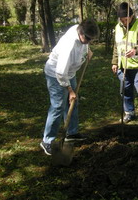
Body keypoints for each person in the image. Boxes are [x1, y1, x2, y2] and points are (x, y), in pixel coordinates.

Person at [40, 19, 99, 155]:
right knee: (57, 106)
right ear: (81, 32)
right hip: (56, 74)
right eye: (87, 39)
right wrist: (70, 90)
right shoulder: (69, 45)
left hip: (69, 73)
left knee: (73, 102)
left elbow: (83, 46)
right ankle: (47, 141)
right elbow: (60, 72)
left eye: (91, 40)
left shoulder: (80, 31)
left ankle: (71, 133)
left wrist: (87, 50)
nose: (89, 41)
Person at [112, 2, 138, 126]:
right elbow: (116, 46)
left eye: (126, 19)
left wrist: (135, 50)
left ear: (132, 15)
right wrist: (114, 62)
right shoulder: (118, 27)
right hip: (123, 66)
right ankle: (129, 112)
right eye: (122, 20)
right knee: (125, 90)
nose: (124, 22)